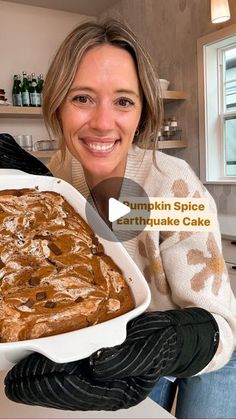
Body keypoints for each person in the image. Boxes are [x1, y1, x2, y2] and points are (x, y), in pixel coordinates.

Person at [4, 19, 236, 418]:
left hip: (197, 355)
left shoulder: (174, 187)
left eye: (123, 101)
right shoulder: (52, 184)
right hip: (103, 354)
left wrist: (174, 342)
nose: (102, 122)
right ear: (57, 104)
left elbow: (223, 329)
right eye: (82, 98)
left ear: (143, 110)